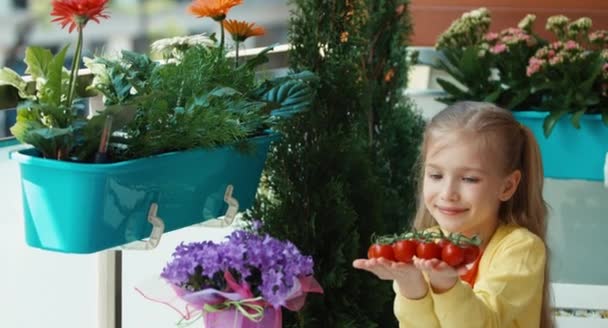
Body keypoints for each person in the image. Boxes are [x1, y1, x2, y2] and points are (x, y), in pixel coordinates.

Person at [353, 101, 553, 327]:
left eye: (469, 179)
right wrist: (412, 287)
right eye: (436, 176)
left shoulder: (521, 249)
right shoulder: (421, 247)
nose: (448, 193)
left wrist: (445, 286)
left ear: (507, 186)